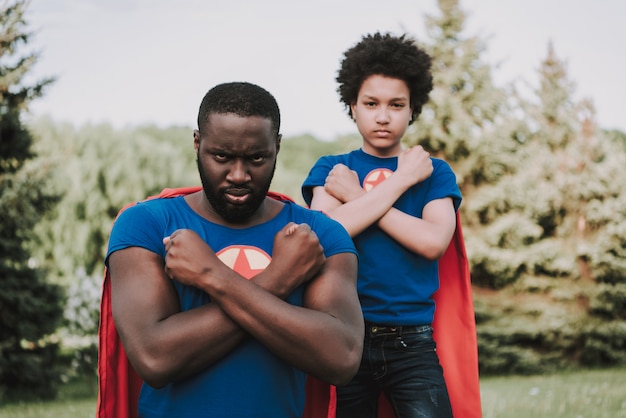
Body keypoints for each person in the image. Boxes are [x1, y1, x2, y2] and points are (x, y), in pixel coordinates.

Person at [106, 81, 364, 418]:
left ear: (277, 146)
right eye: (222, 156)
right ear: (197, 143)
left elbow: (341, 359)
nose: (239, 175)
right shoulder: (146, 225)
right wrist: (278, 278)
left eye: (256, 157)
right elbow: (155, 358)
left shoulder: (317, 235)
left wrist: (213, 276)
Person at [302, 32, 460, 418]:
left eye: (397, 104)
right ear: (352, 106)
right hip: (346, 335)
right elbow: (323, 236)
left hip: (413, 341)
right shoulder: (332, 169)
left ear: (412, 110)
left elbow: (433, 242)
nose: (384, 116)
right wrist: (399, 182)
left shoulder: (431, 172)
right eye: (371, 103)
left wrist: (364, 195)